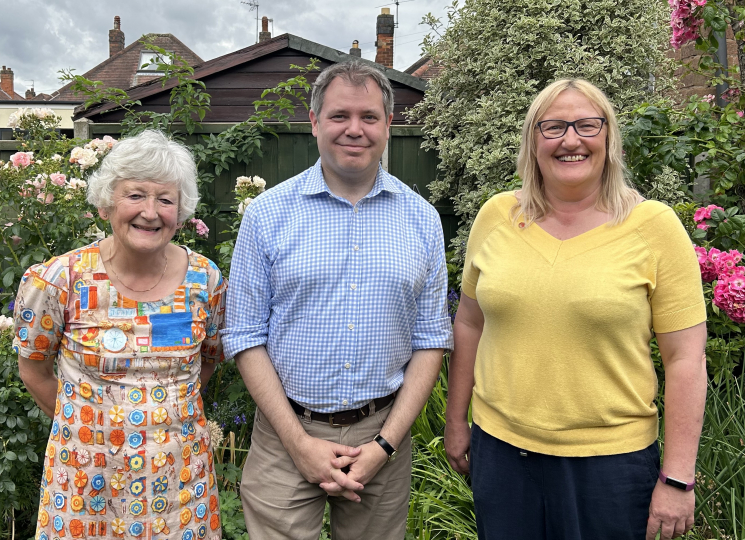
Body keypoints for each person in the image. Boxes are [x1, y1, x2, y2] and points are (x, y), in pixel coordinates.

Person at [444, 78, 708, 540]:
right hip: (502, 456)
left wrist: (678, 477)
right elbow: (469, 323)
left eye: (587, 125)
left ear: (608, 137)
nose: (571, 140)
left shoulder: (654, 227)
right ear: (533, 141)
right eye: (553, 127)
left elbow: (686, 358)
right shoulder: (496, 217)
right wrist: (455, 422)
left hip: (611, 468)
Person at [221, 60, 453, 539]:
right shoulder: (267, 215)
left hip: (382, 435)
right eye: (339, 116)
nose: (355, 129)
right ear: (314, 122)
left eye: (369, 117)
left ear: (389, 125)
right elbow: (243, 335)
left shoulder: (422, 219)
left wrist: (383, 446)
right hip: (286, 434)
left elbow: (432, 338)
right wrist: (299, 443)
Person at [15, 129, 225, 540]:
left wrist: (165, 418)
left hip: (180, 484)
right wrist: (90, 429)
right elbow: (33, 369)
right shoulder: (61, 279)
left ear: (180, 213)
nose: (150, 211)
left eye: (165, 199)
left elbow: (211, 358)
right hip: (84, 483)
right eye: (135, 195)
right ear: (106, 202)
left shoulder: (207, 280)